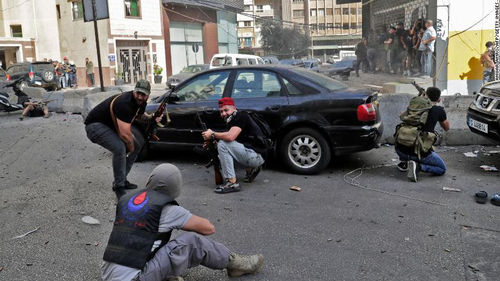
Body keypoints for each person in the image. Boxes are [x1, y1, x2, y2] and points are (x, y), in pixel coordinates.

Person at [101, 163, 265, 281]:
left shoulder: (127, 200)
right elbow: (208, 228)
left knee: (155, 241)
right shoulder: (167, 210)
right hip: (134, 278)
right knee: (192, 242)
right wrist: (181, 216)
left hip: (107, 274)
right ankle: (236, 264)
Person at [84, 79, 161, 199]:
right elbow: (125, 135)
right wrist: (130, 147)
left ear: (148, 95)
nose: (140, 97)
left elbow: (140, 116)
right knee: (120, 148)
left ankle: (122, 179)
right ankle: (119, 187)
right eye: (138, 93)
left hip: (110, 126)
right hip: (94, 126)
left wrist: (151, 118)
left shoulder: (141, 103)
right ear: (134, 91)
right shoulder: (125, 103)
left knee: (137, 147)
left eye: (143, 94)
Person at [201, 97, 266, 194]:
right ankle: (250, 169)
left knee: (223, 144)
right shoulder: (232, 120)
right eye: (221, 111)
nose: (223, 113)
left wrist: (212, 134)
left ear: (234, 108)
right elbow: (234, 144)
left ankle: (232, 183)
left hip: (256, 156)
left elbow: (231, 137)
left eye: (226, 110)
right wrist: (213, 144)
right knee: (221, 149)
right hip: (254, 153)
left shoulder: (240, 116)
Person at [395, 87, 450, 182]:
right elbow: (447, 128)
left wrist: (420, 100)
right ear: (439, 99)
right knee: (442, 169)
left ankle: (404, 162)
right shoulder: (439, 110)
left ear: (425, 95)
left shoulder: (414, 107)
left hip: (400, 149)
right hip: (420, 153)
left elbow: (402, 116)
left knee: (408, 131)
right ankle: (419, 167)